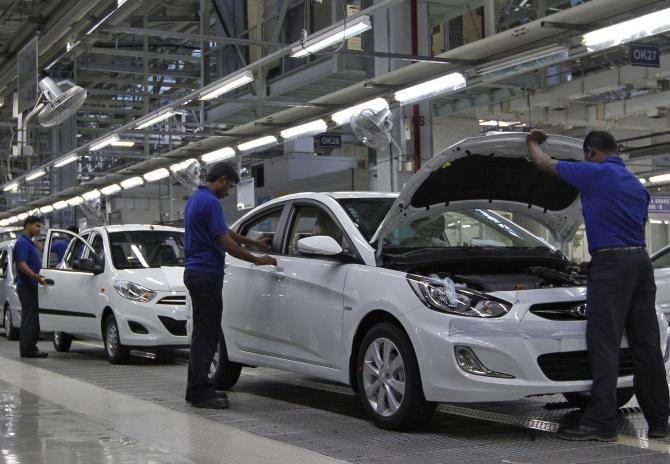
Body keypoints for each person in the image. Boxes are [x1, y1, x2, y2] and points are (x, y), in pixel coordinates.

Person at [527, 129, 669, 441]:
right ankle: (660, 422)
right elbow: (627, 231)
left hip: (613, 267)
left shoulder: (594, 172)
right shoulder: (635, 184)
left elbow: (543, 164)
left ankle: (601, 423)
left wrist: (531, 142)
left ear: (591, 152)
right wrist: (599, 261)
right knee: (646, 346)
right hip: (639, 264)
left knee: (603, 343)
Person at [183, 161, 277, 409]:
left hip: (195, 272)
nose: (230, 191)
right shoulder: (211, 202)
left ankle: (195, 388)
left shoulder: (196, 199)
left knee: (202, 335)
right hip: (206, 274)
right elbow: (225, 242)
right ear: (222, 180)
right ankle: (201, 392)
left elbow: (226, 232)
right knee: (207, 335)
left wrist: (255, 243)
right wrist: (257, 260)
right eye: (231, 186)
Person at [14, 216, 48, 358]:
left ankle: (27, 348)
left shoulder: (29, 243)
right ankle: (29, 349)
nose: (39, 229)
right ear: (28, 225)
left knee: (30, 317)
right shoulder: (22, 243)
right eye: (37, 226)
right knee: (30, 318)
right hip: (27, 285)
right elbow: (22, 264)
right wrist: (35, 276)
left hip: (31, 284)